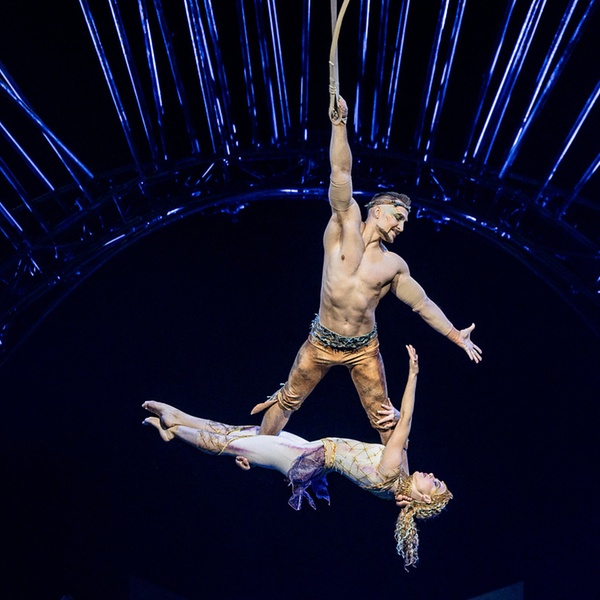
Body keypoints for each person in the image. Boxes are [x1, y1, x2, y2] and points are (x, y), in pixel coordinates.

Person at [251, 97, 482, 444]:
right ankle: (253, 450)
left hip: (364, 349)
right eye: (398, 217)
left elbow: (422, 304)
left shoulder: (393, 265)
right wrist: (339, 124)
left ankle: (401, 477)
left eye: (405, 222)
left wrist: (455, 336)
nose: (401, 226)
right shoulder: (344, 225)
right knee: (288, 399)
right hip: (322, 340)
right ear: (377, 210)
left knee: (384, 416)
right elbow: (341, 172)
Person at [143, 345, 452, 568]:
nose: (433, 476)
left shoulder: (393, 472)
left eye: (435, 484)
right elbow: (401, 436)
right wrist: (395, 416)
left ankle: (175, 430)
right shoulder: (398, 482)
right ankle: (178, 418)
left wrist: (413, 374)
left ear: (424, 498)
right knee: (246, 433)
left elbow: (406, 422)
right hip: (313, 453)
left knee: (234, 445)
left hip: (305, 459)